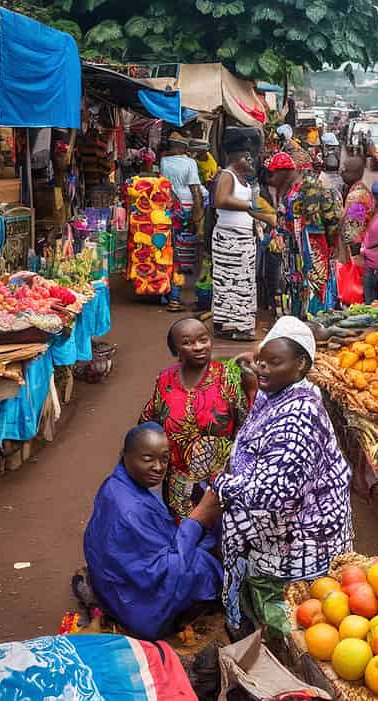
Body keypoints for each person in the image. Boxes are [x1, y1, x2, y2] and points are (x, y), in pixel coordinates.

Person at [215, 317, 353, 637]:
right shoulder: (279, 388)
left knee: (292, 610)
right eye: (261, 360)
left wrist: (220, 486)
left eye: (273, 363)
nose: (263, 368)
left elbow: (275, 492)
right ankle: (257, 623)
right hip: (279, 522)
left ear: (301, 365)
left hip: (301, 529)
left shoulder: (300, 415)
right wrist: (255, 365)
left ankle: (276, 642)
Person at [83, 424, 223, 640]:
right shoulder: (130, 509)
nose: (158, 467)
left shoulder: (115, 483)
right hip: (133, 602)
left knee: (201, 543)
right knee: (205, 566)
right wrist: (198, 519)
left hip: (114, 582)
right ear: (125, 456)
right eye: (148, 459)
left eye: (164, 459)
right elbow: (167, 571)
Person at [140, 318, 257, 520]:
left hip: (219, 488)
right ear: (176, 350)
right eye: (188, 342)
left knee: (218, 545)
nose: (198, 347)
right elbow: (148, 423)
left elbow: (246, 429)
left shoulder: (228, 378)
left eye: (203, 340)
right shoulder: (165, 380)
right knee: (183, 541)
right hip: (177, 488)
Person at [268, 151, 343, 318]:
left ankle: (315, 323)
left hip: (312, 248)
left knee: (314, 288)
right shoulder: (289, 190)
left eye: (274, 174)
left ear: (284, 172)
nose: (271, 179)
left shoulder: (311, 187)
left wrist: (331, 245)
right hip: (295, 251)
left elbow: (332, 220)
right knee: (296, 287)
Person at [211, 151, 273, 341]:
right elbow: (220, 200)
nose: (250, 160)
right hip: (230, 239)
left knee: (242, 284)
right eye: (245, 156)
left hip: (243, 238)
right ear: (234, 157)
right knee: (230, 284)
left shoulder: (242, 179)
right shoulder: (227, 175)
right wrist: (249, 205)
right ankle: (231, 327)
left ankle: (239, 325)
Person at [160, 133, 204, 312]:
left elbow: (165, 186)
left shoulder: (164, 161)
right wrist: (197, 216)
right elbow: (195, 189)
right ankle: (175, 297)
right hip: (186, 208)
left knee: (168, 251)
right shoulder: (190, 163)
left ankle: (168, 293)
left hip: (168, 207)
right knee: (182, 255)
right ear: (184, 147)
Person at [340, 156, 374, 258]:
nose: (341, 173)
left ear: (354, 173)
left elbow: (353, 233)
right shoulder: (360, 188)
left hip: (357, 250)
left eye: (344, 170)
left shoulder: (356, 197)